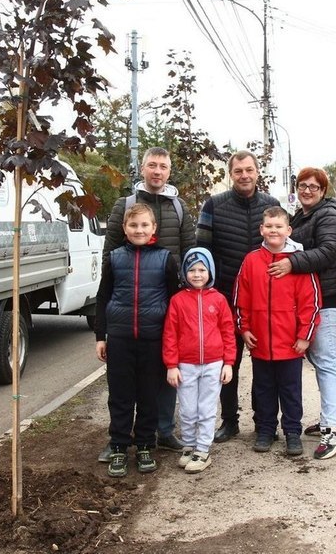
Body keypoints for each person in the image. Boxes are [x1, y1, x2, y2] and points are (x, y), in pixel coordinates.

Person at [99, 147, 195, 461]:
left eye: (163, 166)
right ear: (143, 168)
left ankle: (162, 433)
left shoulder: (179, 207)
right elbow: (110, 253)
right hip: (128, 308)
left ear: (169, 172)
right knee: (123, 387)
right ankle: (120, 441)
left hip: (165, 304)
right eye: (152, 165)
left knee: (164, 377)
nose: (157, 171)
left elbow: (190, 251)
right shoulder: (124, 205)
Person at [195, 150, 280, 442]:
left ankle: (263, 423)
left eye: (249, 170)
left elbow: (281, 246)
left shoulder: (272, 205)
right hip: (224, 299)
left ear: (257, 172)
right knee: (227, 363)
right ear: (231, 174)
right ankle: (229, 421)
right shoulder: (214, 205)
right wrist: (209, 294)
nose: (244, 175)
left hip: (263, 301)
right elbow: (202, 252)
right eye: (238, 171)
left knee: (264, 365)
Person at [267, 167, 336, 460]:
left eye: (314, 186)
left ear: (324, 190)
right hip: (309, 300)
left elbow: (328, 251)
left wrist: (291, 263)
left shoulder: (328, 216)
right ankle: (332, 416)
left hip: (326, 299)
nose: (308, 190)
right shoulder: (302, 215)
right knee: (318, 359)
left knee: (326, 361)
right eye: (303, 185)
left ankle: (332, 431)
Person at [94, 203, 180, 477]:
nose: (139, 230)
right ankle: (119, 445)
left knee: (148, 395)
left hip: (153, 338)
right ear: (125, 229)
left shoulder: (166, 259)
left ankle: (145, 444)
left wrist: (171, 340)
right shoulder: (115, 258)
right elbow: (103, 297)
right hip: (119, 338)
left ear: (154, 228)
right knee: (120, 395)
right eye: (134, 225)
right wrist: (100, 336)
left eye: (144, 225)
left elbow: (173, 300)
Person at [234, 206, 321, 456]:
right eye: (269, 226)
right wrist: (244, 328)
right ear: (261, 229)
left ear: (288, 230)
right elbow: (242, 297)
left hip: (290, 345)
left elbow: (311, 303)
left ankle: (292, 432)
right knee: (263, 389)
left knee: (290, 391)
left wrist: (305, 336)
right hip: (260, 343)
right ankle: (265, 429)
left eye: (279, 226)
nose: (273, 231)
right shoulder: (251, 261)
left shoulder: (297, 264)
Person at [163, 248, 236, 473]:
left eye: (202, 269)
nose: (197, 274)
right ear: (185, 273)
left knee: (206, 408)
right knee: (187, 409)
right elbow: (170, 334)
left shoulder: (219, 300)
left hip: (214, 364)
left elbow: (228, 332)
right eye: (192, 270)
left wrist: (228, 363)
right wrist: (172, 365)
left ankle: (203, 449)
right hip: (186, 364)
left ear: (210, 271)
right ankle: (189, 444)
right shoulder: (177, 301)